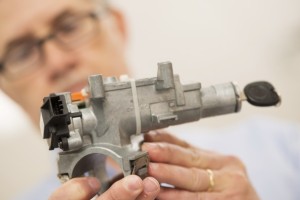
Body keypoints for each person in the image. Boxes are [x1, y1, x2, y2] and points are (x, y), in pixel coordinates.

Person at [0, 0, 298, 199]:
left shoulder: (284, 150)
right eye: (21, 53)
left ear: (117, 27)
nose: (57, 61)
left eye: (69, 26)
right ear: (5, 90)